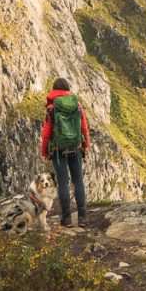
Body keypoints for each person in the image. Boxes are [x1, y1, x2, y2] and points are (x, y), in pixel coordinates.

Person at [41, 77, 90, 228]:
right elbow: (84, 127)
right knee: (78, 181)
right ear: (67, 90)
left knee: (63, 183)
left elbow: (47, 132)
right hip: (75, 148)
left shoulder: (51, 108)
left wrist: (44, 152)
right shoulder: (78, 106)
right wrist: (85, 145)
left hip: (58, 151)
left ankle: (67, 218)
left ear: (54, 91)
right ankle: (82, 217)